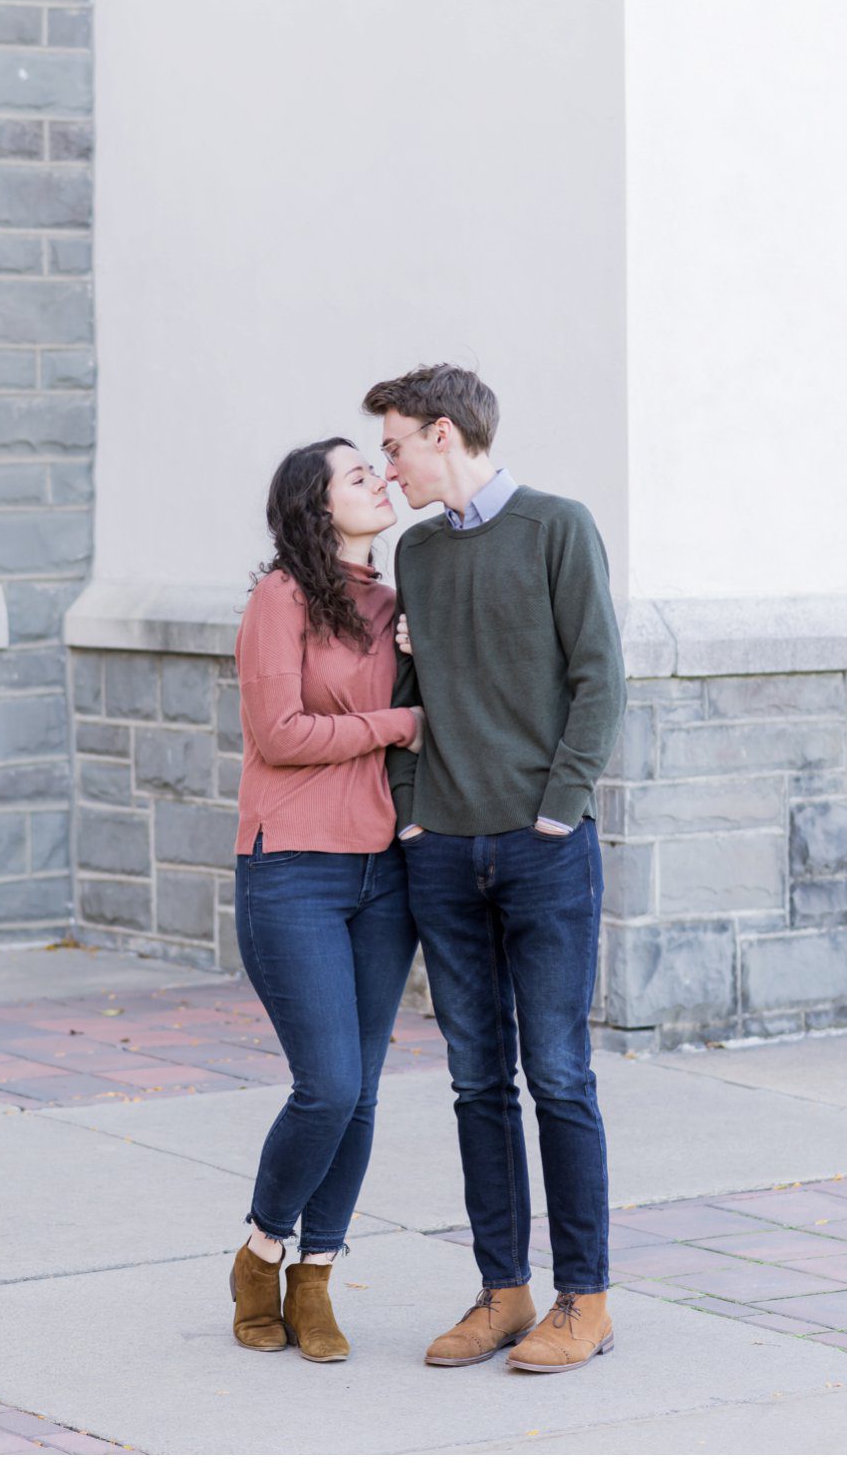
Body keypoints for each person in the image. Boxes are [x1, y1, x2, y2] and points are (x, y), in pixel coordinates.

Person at [370, 364, 626, 1375]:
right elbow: (408, 687)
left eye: (394, 446)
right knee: (476, 1079)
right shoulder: (418, 554)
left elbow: (598, 677)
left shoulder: (559, 526)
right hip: (443, 850)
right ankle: (502, 1292)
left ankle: (586, 1299)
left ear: (443, 433)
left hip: (542, 850)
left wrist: (556, 812)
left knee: (558, 1075)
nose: (387, 469)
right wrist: (410, 817)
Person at [229, 438, 425, 1361]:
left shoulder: (397, 603)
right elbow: (278, 731)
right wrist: (396, 724)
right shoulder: (282, 597)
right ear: (317, 503)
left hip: (381, 872)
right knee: (329, 1085)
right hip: (292, 869)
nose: (380, 480)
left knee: (364, 1093)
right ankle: (262, 1246)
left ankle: (316, 1278)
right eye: (359, 474)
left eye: (379, 469)